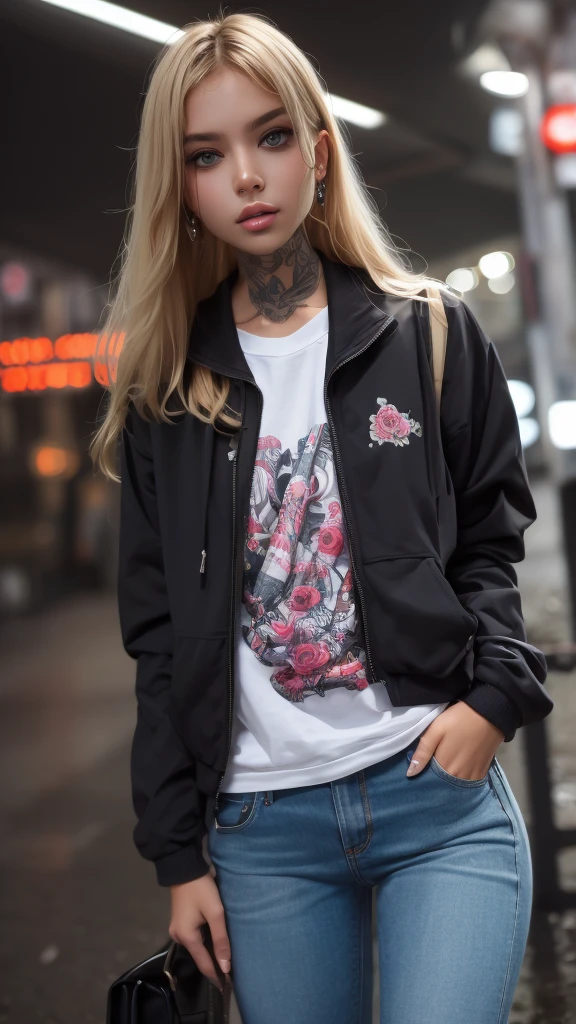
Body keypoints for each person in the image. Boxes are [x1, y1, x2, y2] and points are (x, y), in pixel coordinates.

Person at [91, 12, 554, 1024]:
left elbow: (490, 534)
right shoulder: (166, 393)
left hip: (436, 797)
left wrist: (494, 699)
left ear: (318, 149)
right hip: (264, 834)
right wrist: (179, 856)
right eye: (207, 155)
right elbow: (159, 638)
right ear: (183, 188)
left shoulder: (426, 330)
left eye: (270, 137)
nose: (246, 177)